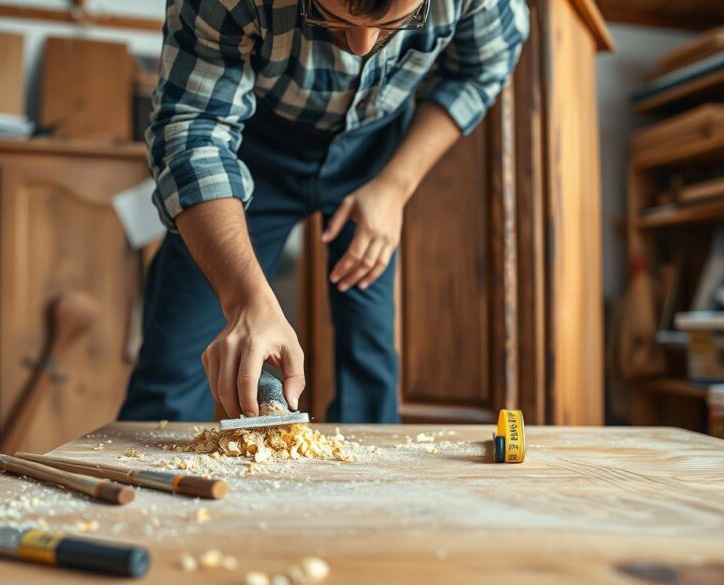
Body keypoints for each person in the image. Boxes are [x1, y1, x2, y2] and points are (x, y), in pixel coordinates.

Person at [119, 0, 529, 424]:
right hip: (247, 145)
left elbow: (483, 66)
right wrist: (244, 299)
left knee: (369, 358)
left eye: (393, 24)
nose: (361, 46)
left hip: (375, 151)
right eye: (332, 18)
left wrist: (395, 186)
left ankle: (366, 486)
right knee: (175, 356)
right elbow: (193, 126)